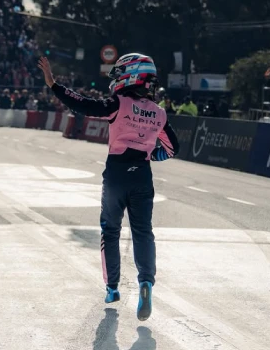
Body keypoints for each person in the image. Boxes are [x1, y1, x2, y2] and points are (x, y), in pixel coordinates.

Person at [38, 54, 179, 321]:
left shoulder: (118, 103)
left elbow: (84, 105)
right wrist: (151, 155)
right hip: (143, 177)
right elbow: (173, 149)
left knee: (110, 231)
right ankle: (146, 282)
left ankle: (112, 288)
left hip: (115, 176)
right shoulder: (159, 113)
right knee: (143, 232)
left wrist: (54, 85)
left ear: (131, 76)